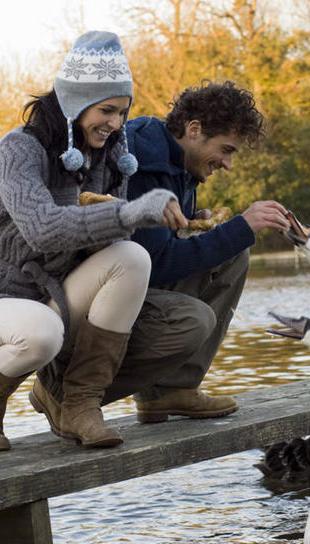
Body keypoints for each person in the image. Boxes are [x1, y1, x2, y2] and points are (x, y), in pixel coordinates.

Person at [0, 30, 187, 452]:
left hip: (48, 295)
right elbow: (42, 228)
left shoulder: (107, 160)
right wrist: (128, 211)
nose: (116, 124)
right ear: (74, 102)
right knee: (43, 332)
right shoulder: (18, 150)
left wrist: (162, 216)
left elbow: (112, 236)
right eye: (106, 110)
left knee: (132, 257)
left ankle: (81, 403)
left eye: (123, 113)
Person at [123, 80, 291, 422]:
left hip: (135, 295)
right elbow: (154, 265)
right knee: (234, 247)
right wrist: (239, 228)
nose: (228, 164)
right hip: (105, 307)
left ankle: (172, 389)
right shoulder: (147, 164)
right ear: (194, 129)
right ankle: (73, 390)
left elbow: (159, 245)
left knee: (233, 254)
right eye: (226, 149)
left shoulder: (179, 165)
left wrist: (191, 223)